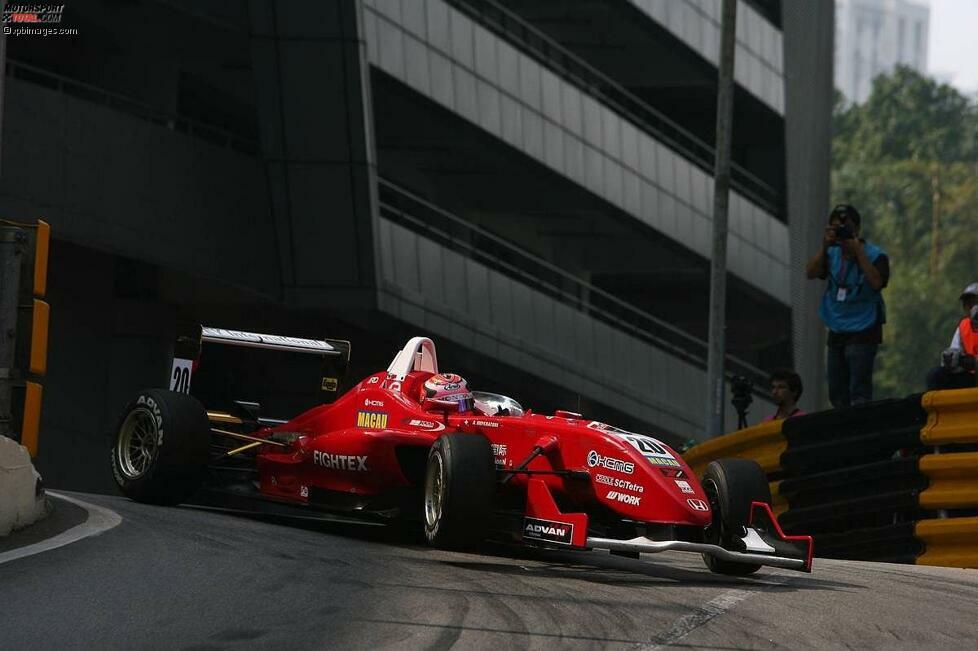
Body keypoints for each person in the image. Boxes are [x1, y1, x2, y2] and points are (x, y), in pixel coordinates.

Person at [805, 204, 890, 408]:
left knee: (859, 390)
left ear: (857, 230)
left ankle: (859, 428)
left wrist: (858, 252)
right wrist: (825, 247)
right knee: (836, 389)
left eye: (846, 228)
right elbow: (810, 272)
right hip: (837, 325)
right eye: (836, 228)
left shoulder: (875, 255)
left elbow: (877, 282)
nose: (841, 233)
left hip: (864, 326)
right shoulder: (832, 253)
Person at [926, 283, 978, 390]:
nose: (970, 307)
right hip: (972, 378)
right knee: (936, 375)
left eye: (974, 303)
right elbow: (955, 351)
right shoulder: (964, 326)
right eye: (967, 304)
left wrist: (974, 362)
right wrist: (951, 360)